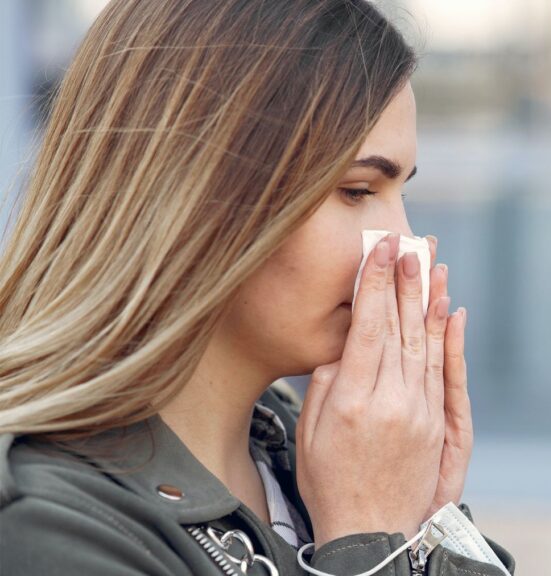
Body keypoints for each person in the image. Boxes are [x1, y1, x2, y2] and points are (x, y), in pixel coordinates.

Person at [0, 1, 515, 574]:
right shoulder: (46, 524)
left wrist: (426, 526)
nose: (404, 244)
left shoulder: (324, 455)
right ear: (198, 195)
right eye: (357, 190)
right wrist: (370, 537)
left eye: (401, 194)